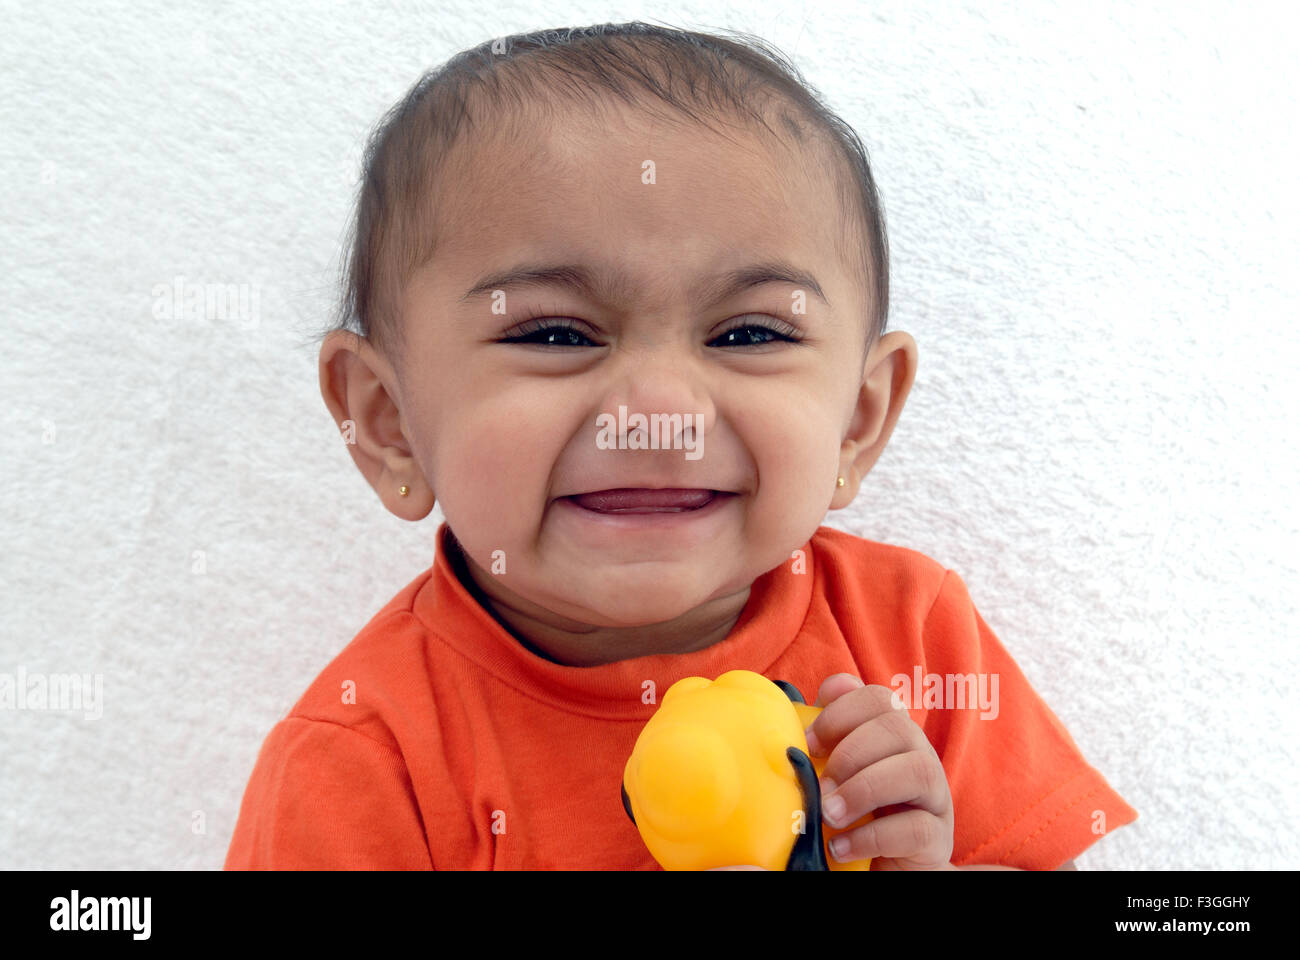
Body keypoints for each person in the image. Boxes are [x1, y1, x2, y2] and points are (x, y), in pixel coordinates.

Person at [225, 22, 1136, 870]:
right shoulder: (362, 756)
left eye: (748, 335)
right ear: (386, 423)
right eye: (553, 334)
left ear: (857, 419)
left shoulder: (916, 638)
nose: (659, 411)